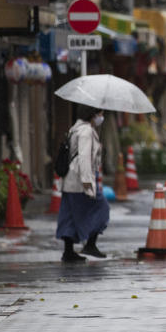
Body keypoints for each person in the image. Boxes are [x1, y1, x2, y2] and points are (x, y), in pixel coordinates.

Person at [56, 105, 110, 262]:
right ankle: (91, 244)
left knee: (69, 215)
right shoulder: (86, 131)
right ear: (93, 114)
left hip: (69, 181)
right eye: (100, 113)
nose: (101, 117)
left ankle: (68, 252)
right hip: (81, 181)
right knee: (101, 208)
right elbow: (84, 159)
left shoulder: (75, 128)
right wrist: (87, 183)